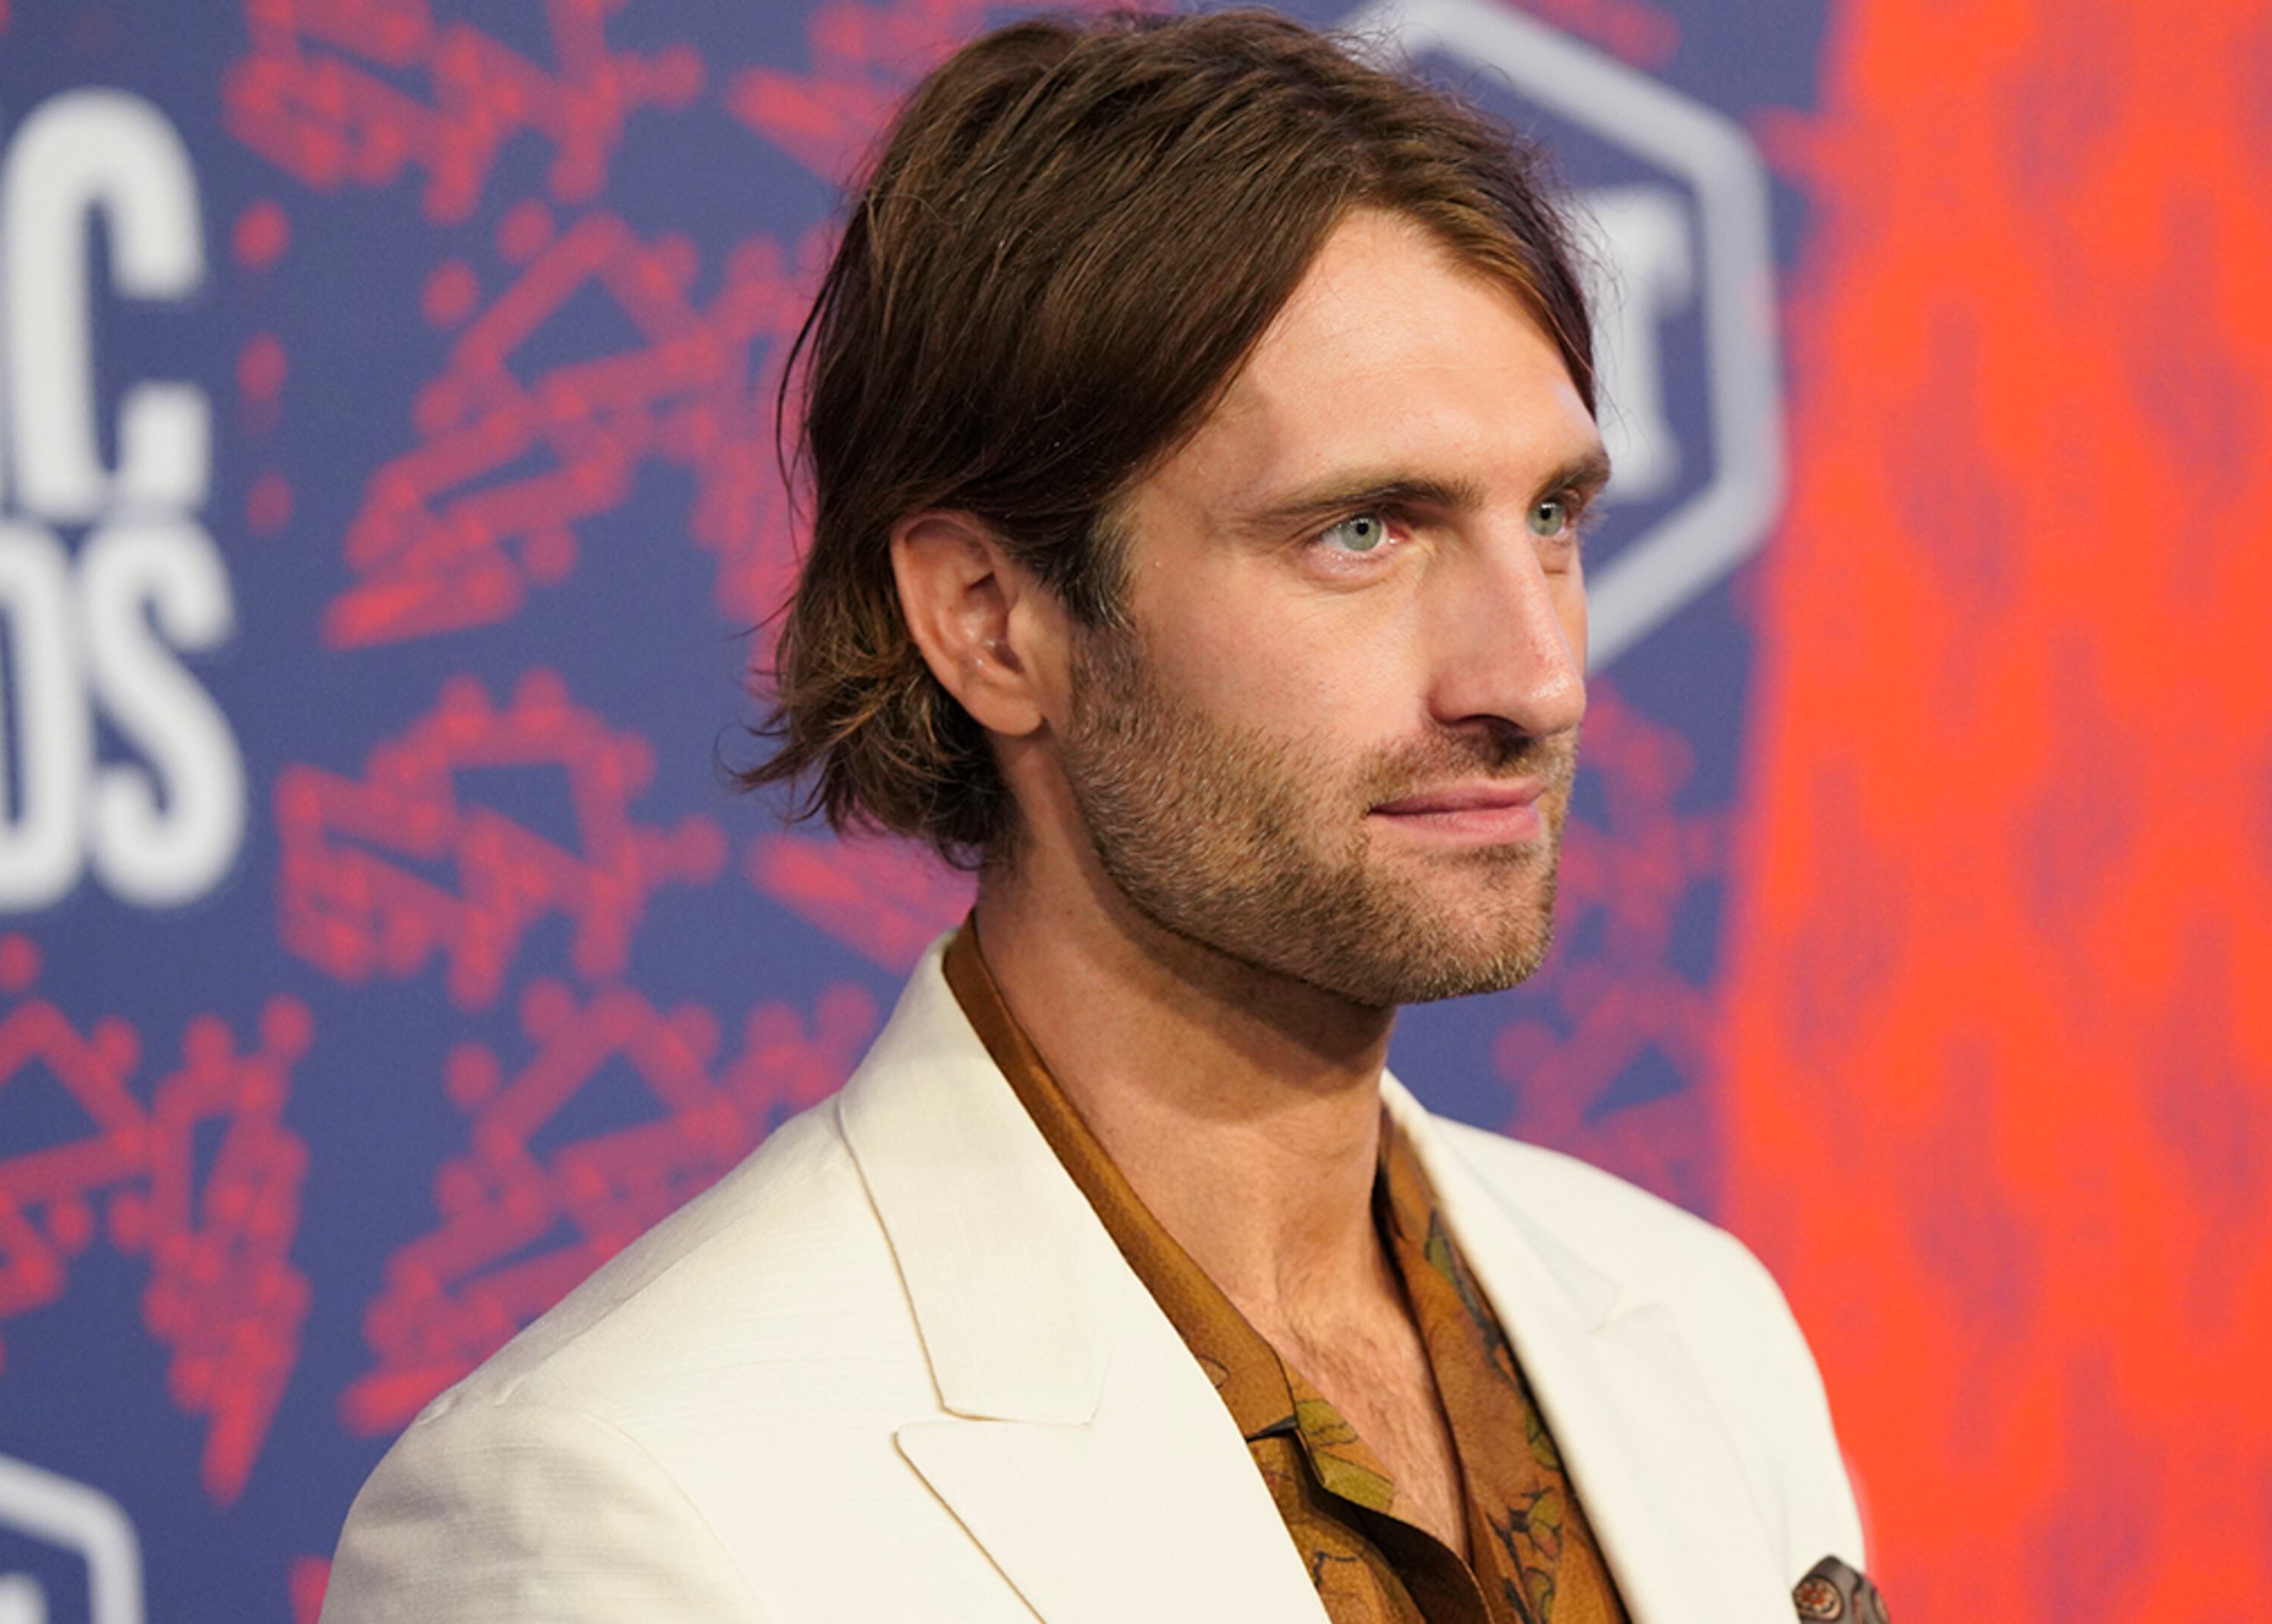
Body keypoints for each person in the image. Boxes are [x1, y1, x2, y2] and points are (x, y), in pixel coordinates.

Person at [321, 10, 1874, 1621]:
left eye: (1551, 516)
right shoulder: (626, 1504)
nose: (1536, 676)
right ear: (994, 619)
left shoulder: (1697, 1326)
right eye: (1362, 530)